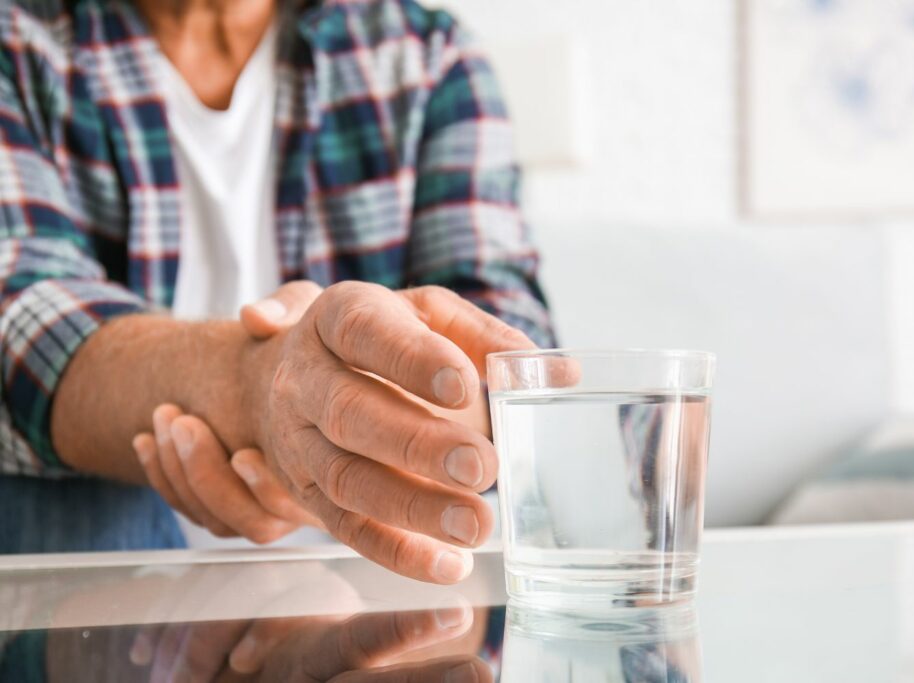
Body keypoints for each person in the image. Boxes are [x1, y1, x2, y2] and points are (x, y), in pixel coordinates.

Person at [0, 0, 554, 584]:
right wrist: (259, 391)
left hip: (381, 601)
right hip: (100, 601)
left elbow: (513, 353)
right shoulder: (19, 44)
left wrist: (373, 394)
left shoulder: (427, 59)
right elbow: (20, 320)